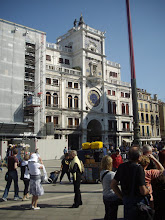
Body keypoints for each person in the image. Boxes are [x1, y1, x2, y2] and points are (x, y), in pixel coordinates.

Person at [111, 146, 150, 220]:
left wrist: (121, 196)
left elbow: (113, 184)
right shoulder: (138, 168)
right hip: (138, 201)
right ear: (139, 157)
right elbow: (142, 190)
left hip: (127, 199)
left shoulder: (122, 166)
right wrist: (147, 190)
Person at [100, 155, 122, 220]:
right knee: (113, 214)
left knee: (107, 213)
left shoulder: (102, 172)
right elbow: (115, 184)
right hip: (112, 196)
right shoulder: (111, 174)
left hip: (105, 195)